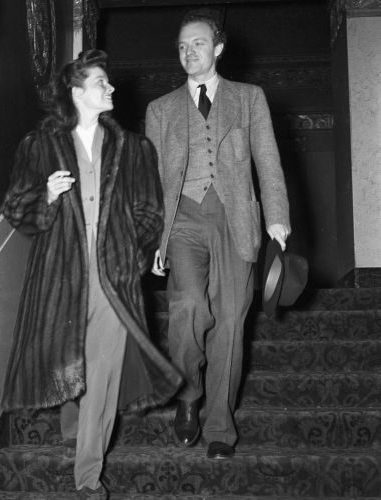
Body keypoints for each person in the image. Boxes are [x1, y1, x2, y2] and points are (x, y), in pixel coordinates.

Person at [1, 49, 181, 500]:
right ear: (79, 92)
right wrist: (46, 194)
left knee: (105, 369)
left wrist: (133, 255)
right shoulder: (39, 145)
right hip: (61, 268)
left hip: (114, 272)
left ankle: (87, 476)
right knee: (69, 352)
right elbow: (16, 210)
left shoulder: (134, 148)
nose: (112, 88)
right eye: (102, 82)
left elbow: (148, 210)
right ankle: (73, 418)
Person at [145, 8, 291, 459]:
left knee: (229, 321)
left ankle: (219, 428)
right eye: (183, 46)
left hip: (236, 220)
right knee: (188, 305)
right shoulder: (160, 109)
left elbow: (267, 160)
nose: (190, 53)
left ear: (219, 48)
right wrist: (154, 238)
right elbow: (151, 179)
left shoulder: (249, 98)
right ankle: (189, 393)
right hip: (183, 219)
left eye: (199, 44)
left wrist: (277, 219)